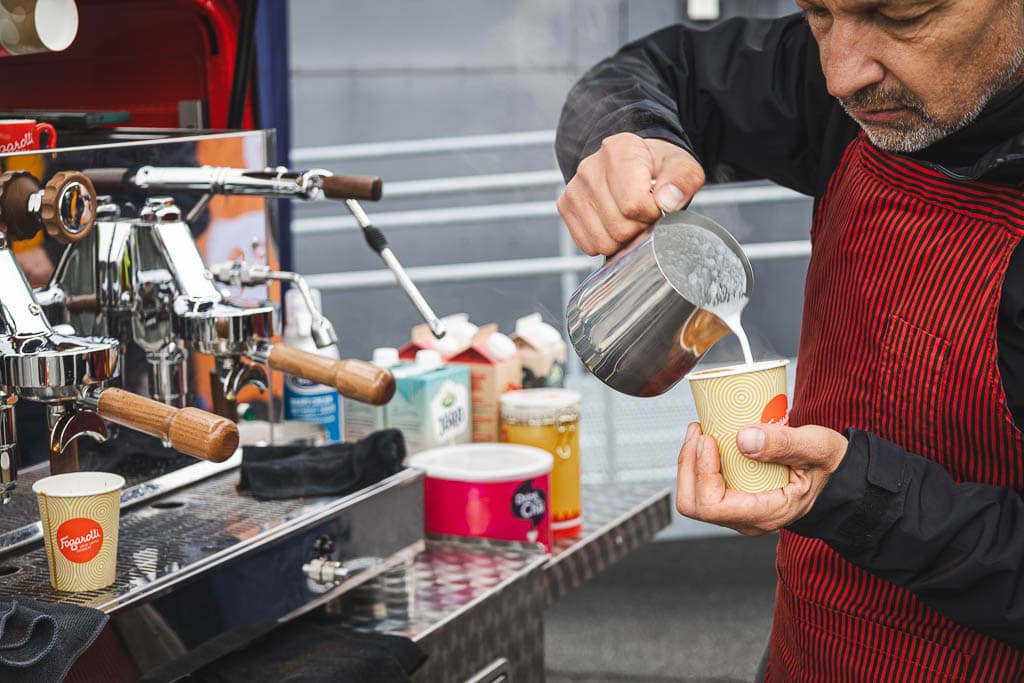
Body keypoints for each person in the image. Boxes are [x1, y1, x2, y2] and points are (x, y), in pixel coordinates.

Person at [555, 1, 1024, 680]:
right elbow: (660, 70)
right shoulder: (853, 83)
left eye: (902, 17)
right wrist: (631, 141)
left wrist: (863, 497)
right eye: (817, 14)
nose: (840, 76)